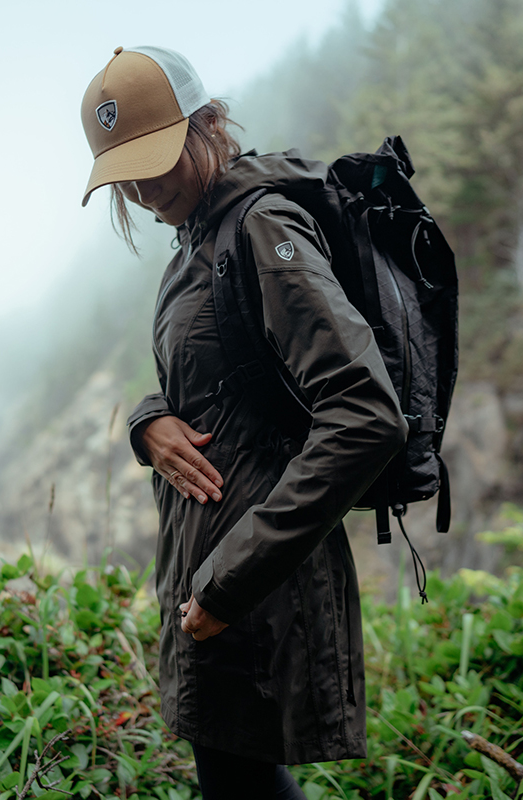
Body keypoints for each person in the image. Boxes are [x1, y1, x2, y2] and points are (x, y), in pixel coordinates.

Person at [79, 46, 408, 798]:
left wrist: (230, 582)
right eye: (123, 170)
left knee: (243, 784)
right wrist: (147, 421)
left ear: (208, 122)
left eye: (156, 156)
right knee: (236, 780)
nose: (143, 184)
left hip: (252, 584)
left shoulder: (259, 228)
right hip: (216, 575)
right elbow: (212, 385)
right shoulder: (198, 241)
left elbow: (364, 414)